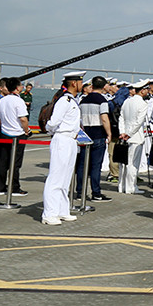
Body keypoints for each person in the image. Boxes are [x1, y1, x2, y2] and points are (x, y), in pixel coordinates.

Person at [42, 71, 85, 225]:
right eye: (80, 82)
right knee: (56, 177)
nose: (82, 85)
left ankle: (62, 210)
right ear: (74, 83)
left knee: (65, 178)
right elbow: (53, 123)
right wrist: (53, 132)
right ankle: (49, 214)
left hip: (71, 141)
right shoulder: (64, 101)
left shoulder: (72, 100)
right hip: (62, 139)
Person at [75, 76, 113, 202]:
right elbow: (104, 118)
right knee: (96, 166)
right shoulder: (102, 100)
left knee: (82, 165)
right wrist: (109, 133)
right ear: (103, 86)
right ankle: (96, 192)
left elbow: (78, 118)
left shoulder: (83, 100)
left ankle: (80, 191)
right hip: (98, 134)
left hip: (85, 134)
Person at [0, 77, 30, 196]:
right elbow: (23, 118)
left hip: (4, 133)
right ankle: (14, 187)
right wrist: (26, 130)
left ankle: (0, 187)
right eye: (21, 85)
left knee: (3, 161)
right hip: (17, 134)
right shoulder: (18, 101)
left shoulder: (2, 100)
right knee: (15, 163)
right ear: (17, 88)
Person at [118, 80, 149, 194]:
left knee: (123, 163)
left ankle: (121, 186)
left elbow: (121, 118)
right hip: (135, 137)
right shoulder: (142, 104)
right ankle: (131, 187)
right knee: (133, 164)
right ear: (142, 91)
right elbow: (138, 122)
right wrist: (129, 134)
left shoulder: (127, 101)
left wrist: (123, 132)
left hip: (125, 135)